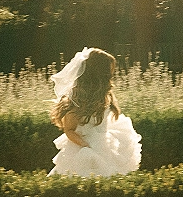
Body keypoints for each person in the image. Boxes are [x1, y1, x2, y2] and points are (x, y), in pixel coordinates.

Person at [48, 47, 141, 177]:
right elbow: (69, 130)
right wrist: (86, 146)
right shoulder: (77, 100)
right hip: (82, 145)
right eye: (108, 71)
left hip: (105, 142)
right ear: (97, 73)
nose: (111, 74)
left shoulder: (105, 94)